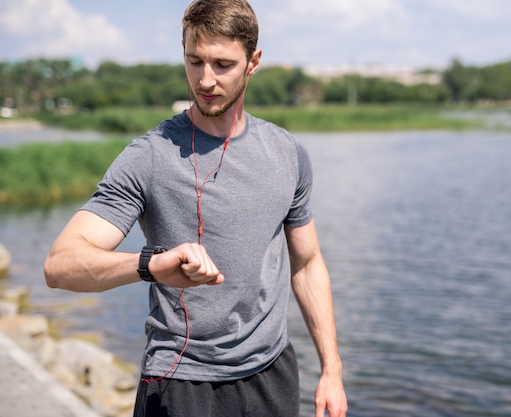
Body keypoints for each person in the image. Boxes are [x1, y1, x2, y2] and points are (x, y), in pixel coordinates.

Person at [43, 1, 348, 416]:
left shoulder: (287, 152)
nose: (205, 80)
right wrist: (150, 264)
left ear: (253, 62)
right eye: (194, 61)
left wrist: (331, 370)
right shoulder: (149, 156)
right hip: (181, 381)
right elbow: (60, 266)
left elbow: (307, 264)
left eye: (223, 64)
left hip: (271, 374)